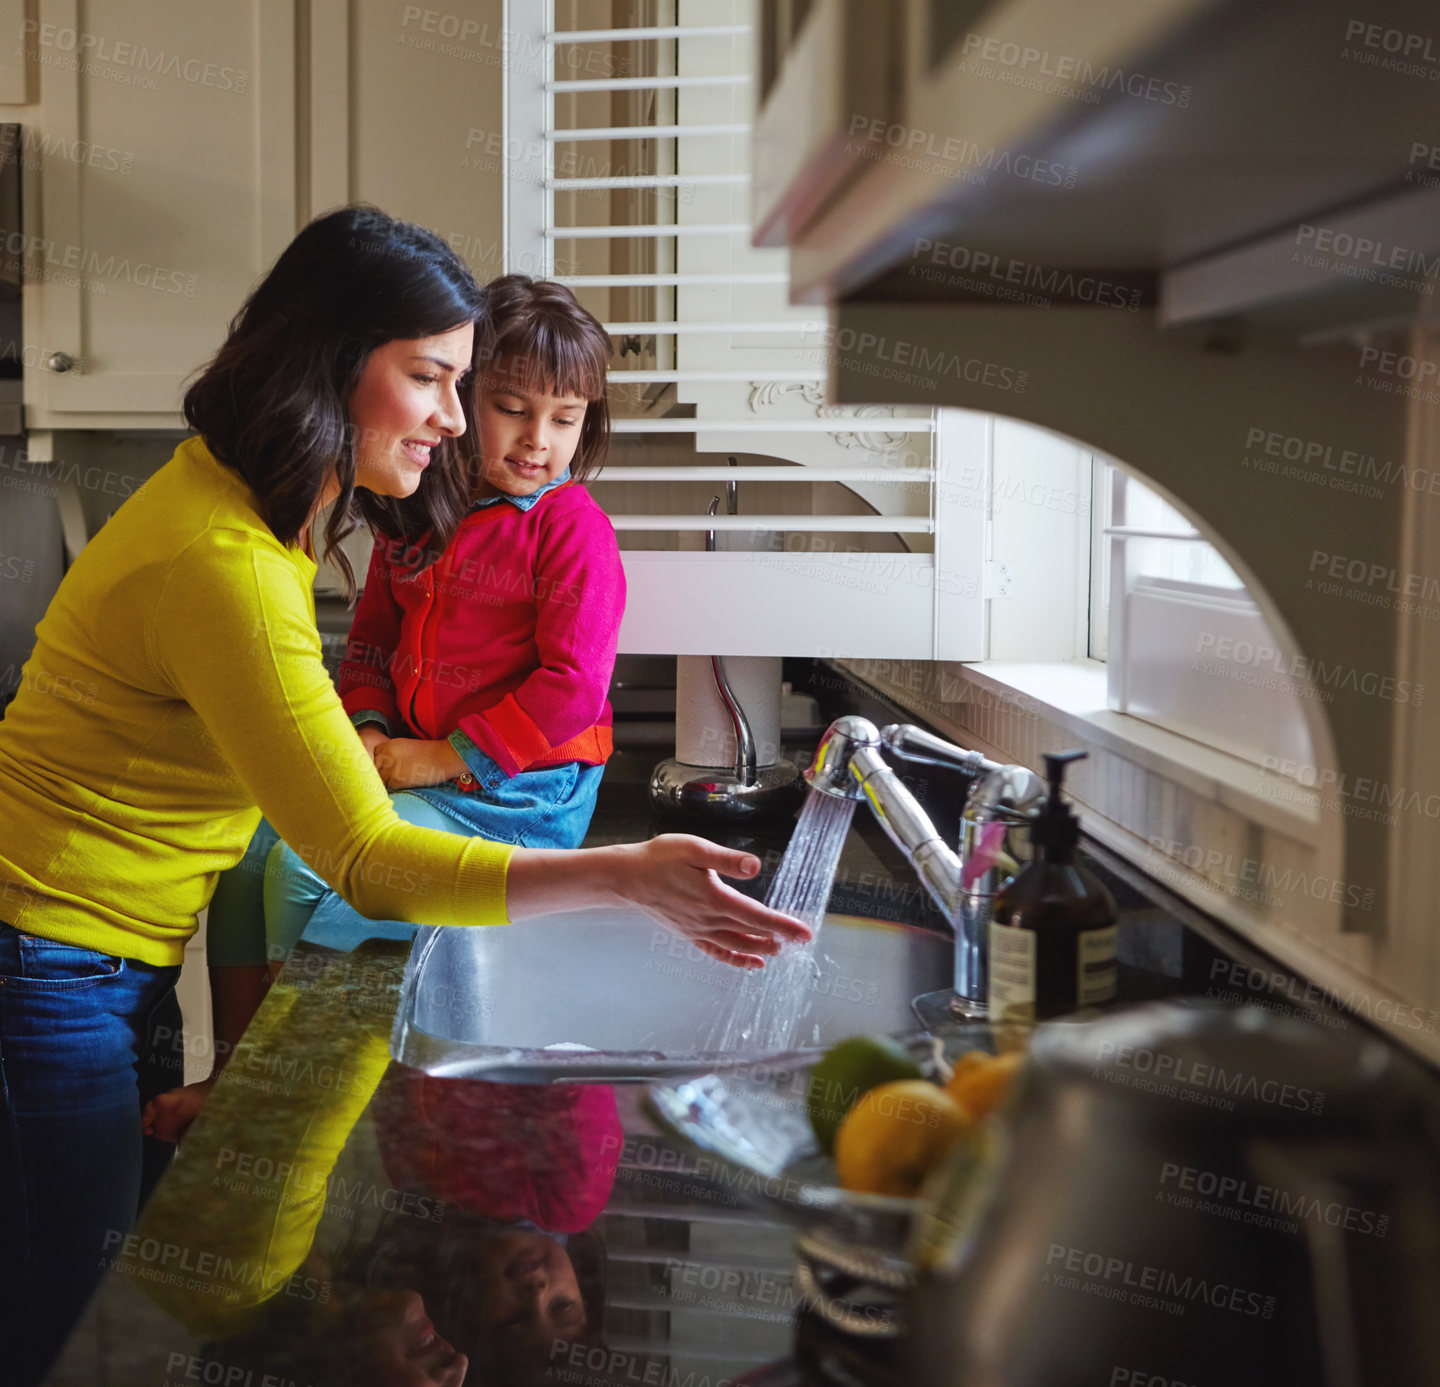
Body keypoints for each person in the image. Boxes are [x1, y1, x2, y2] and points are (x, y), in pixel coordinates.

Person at [0, 205, 809, 1387]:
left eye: (460, 380)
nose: (453, 416)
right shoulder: (229, 564)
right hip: (48, 966)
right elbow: (369, 861)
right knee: (54, 1333)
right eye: (431, 378)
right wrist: (629, 879)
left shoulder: (244, 513)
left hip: (92, 954)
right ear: (335, 369)